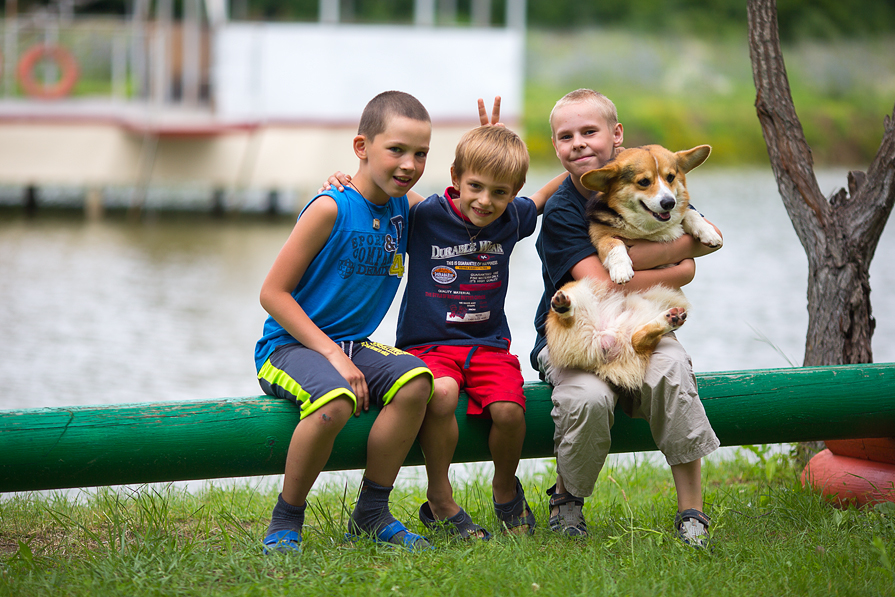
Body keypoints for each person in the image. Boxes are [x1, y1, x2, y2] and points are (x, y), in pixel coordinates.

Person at [326, 101, 565, 539]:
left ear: (513, 192)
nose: (484, 201)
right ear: (455, 178)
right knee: (443, 393)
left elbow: (544, 197)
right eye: (474, 186)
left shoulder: (512, 216)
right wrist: (345, 177)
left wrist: (587, 165)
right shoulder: (426, 214)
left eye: (499, 192)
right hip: (429, 346)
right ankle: (440, 497)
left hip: (488, 345)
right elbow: (382, 186)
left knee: (511, 413)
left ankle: (505, 488)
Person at [530, 88, 722, 547]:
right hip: (579, 332)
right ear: (555, 146)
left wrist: (681, 260)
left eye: (589, 131)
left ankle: (691, 510)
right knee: (587, 397)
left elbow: (697, 250)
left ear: (616, 135)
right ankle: (569, 502)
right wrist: (678, 262)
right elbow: (605, 283)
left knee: (672, 368)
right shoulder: (561, 212)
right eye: (565, 136)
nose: (578, 143)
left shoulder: (652, 180)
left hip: (642, 323)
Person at [254, 90, 436, 554]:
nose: (409, 164)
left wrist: (487, 141)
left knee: (417, 381)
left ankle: (372, 512)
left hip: (355, 343)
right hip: (290, 347)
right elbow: (272, 294)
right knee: (333, 401)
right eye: (396, 150)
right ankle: (286, 520)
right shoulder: (330, 207)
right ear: (362, 148)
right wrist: (332, 353)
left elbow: (464, 211)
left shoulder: (404, 208)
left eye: (421, 154)